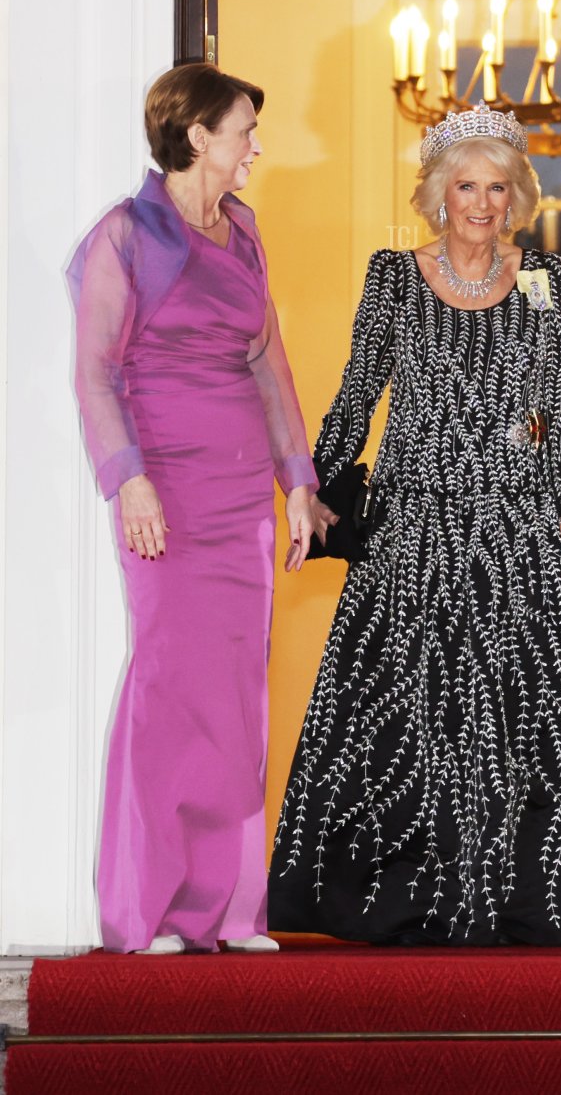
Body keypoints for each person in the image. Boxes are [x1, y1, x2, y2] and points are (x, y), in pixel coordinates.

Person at [268, 103, 561, 946]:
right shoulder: (394, 276)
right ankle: (404, 906)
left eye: (498, 188)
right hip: (412, 528)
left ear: (517, 195)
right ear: (437, 193)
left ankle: (518, 907)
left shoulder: (542, 280)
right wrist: (305, 485)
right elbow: (358, 392)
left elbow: (558, 407)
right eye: (466, 187)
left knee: (517, 720)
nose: (482, 205)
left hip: (515, 529)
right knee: (406, 718)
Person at [68, 63, 317, 954]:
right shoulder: (124, 236)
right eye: (245, 130)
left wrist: (300, 483)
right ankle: (151, 912)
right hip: (162, 495)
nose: (255, 148)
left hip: (244, 491)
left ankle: (228, 909)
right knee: (169, 691)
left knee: (239, 697)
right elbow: (94, 370)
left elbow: (268, 361)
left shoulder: (243, 232)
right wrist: (126, 477)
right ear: (198, 134)